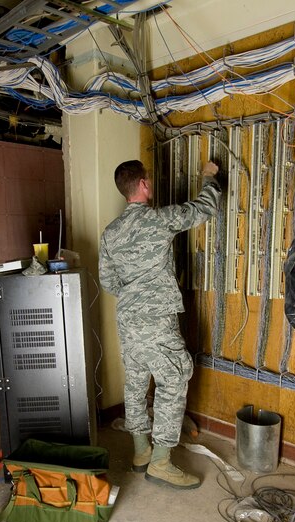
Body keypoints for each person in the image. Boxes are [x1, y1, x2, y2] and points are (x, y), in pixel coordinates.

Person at [99, 159, 221, 490]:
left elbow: (108, 282)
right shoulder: (157, 219)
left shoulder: (110, 234)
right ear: (142, 185)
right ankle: (161, 463)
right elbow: (203, 209)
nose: (150, 184)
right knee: (173, 379)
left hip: (128, 321)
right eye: (148, 180)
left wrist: (134, 294)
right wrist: (209, 177)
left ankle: (141, 453)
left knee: (136, 384)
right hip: (157, 319)